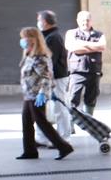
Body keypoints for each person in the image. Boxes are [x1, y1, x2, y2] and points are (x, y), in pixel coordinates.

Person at [18, 26, 74, 161]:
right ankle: (30, 151)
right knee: (26, 122)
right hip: (29, 95)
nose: (22, 40)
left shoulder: (40, 57)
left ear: (32, 39)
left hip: (37, 96)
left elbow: (46, 77)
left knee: (42, 122)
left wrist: (42, 94)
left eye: (24, 37)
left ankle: (64, 147)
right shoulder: (29, 55)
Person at [35, 10, 72, 143]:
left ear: (44, 22)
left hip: (56, 78)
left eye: (39, 20)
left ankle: (64, 137)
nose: (38, 22)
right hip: (49, 78)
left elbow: (50, 61)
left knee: (59, 108)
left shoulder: (53, 38)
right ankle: (41, 137)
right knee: (42, 108)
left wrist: (45, 78)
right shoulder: (48, 36)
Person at [64, 10, 106, 115]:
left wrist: (81, 45)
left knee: (91, 98)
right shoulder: (71, 33)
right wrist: (93, 47)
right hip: (77, 71)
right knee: (73, 98)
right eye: (82, 20)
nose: (85, 22)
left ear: (91, 21)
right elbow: (72, 47)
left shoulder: (99, 34)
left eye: (87, 20)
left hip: (94, 71)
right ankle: (70, 125)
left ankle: (89, 122)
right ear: (78, 21)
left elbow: (102, 46)